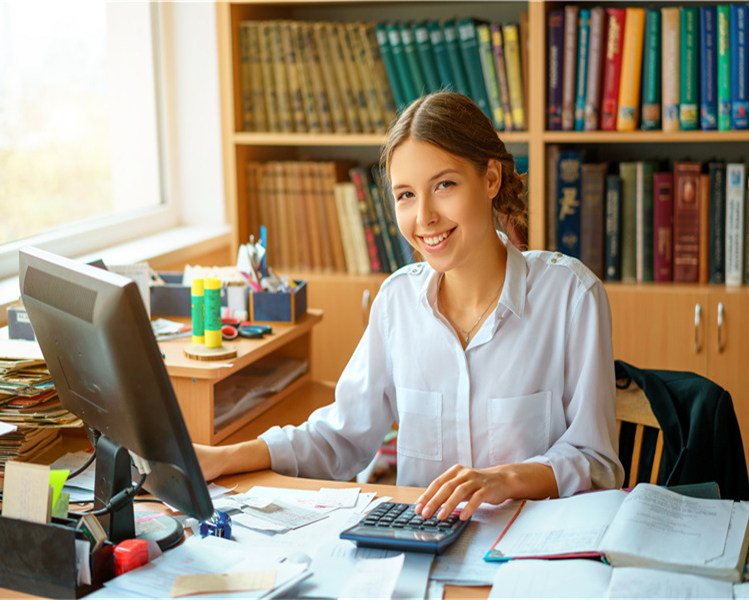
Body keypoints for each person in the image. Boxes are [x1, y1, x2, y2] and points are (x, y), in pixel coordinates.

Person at [195, 91, 623, 522]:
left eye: (444, 186)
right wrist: (221, 458)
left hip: (531, 551)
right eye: (405, 195)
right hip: (424, 549)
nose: (424, 218)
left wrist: (505, 480)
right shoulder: (397, 302)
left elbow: (598, 460)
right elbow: (339, 437)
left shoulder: (571, 296)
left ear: (491, 179)